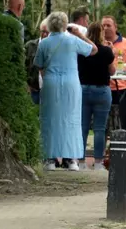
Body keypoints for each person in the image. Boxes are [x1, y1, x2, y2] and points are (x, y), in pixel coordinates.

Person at [34, 11, 98, 171]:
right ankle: (71, 159)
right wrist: (79, 34)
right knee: (72, 119)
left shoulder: (44, 43)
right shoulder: (73, 41)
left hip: (51, 82)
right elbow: (94, 49)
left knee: (49, 119)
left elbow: (39, 65)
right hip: (71, 83)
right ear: (65, 24)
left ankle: (49, 158)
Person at [78, 21, 116, 171]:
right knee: (100, 128)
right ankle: (99, 162)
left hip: (83, 89)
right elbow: (112, 71)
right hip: (101, 90)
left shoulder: (82, 51)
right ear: (101, 33)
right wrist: (111, 50)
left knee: (83, 127)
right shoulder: (106, 51)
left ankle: (80, 162)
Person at [25, 19, 49, 105]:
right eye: (43, 31)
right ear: (40, 31)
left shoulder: (55, 48)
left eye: (48, 32)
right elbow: (23, 66)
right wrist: (26, 85)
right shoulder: (30, 46)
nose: (45, 34)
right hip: (33, 91)